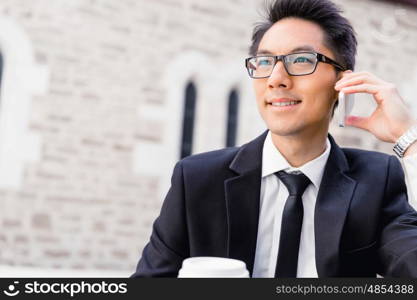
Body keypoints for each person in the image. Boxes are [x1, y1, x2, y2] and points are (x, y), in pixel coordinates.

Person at [132, 0, 417, 277]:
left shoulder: (376, 181)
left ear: (343, 83)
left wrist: (409, 139)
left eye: (302, 60)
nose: (276, 78)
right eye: (265, 62)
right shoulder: (196, 180)